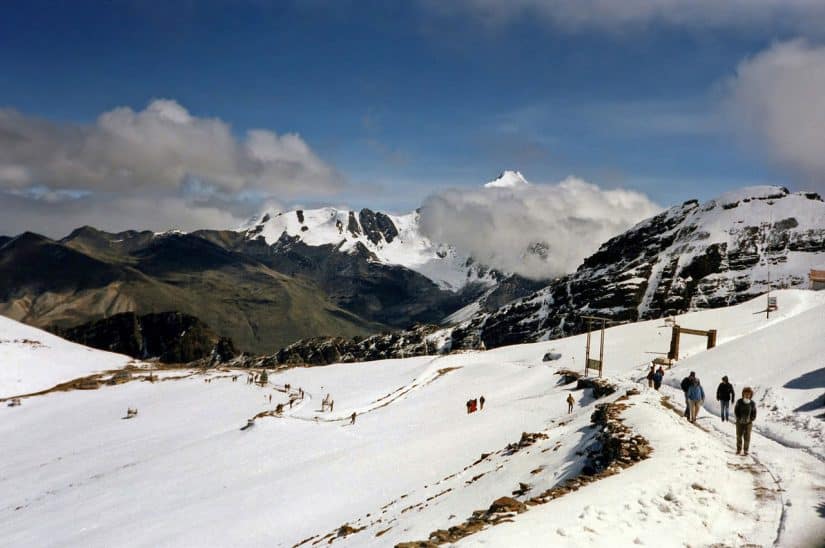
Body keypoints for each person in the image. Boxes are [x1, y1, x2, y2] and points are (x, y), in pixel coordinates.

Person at [734, 387, 757, 455]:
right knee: (739, 436)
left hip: (748, 423)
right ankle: (739, 449)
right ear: (743, 394)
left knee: (747, 437)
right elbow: (736, 411)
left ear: (750, 395)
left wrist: (751, 419)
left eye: (748, 394)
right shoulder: (739, 401)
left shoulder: (752, 403)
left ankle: (746, 450)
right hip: (739, 422)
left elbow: (754, 413)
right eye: (745, 394)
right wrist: (738, 418)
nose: (747, 395)